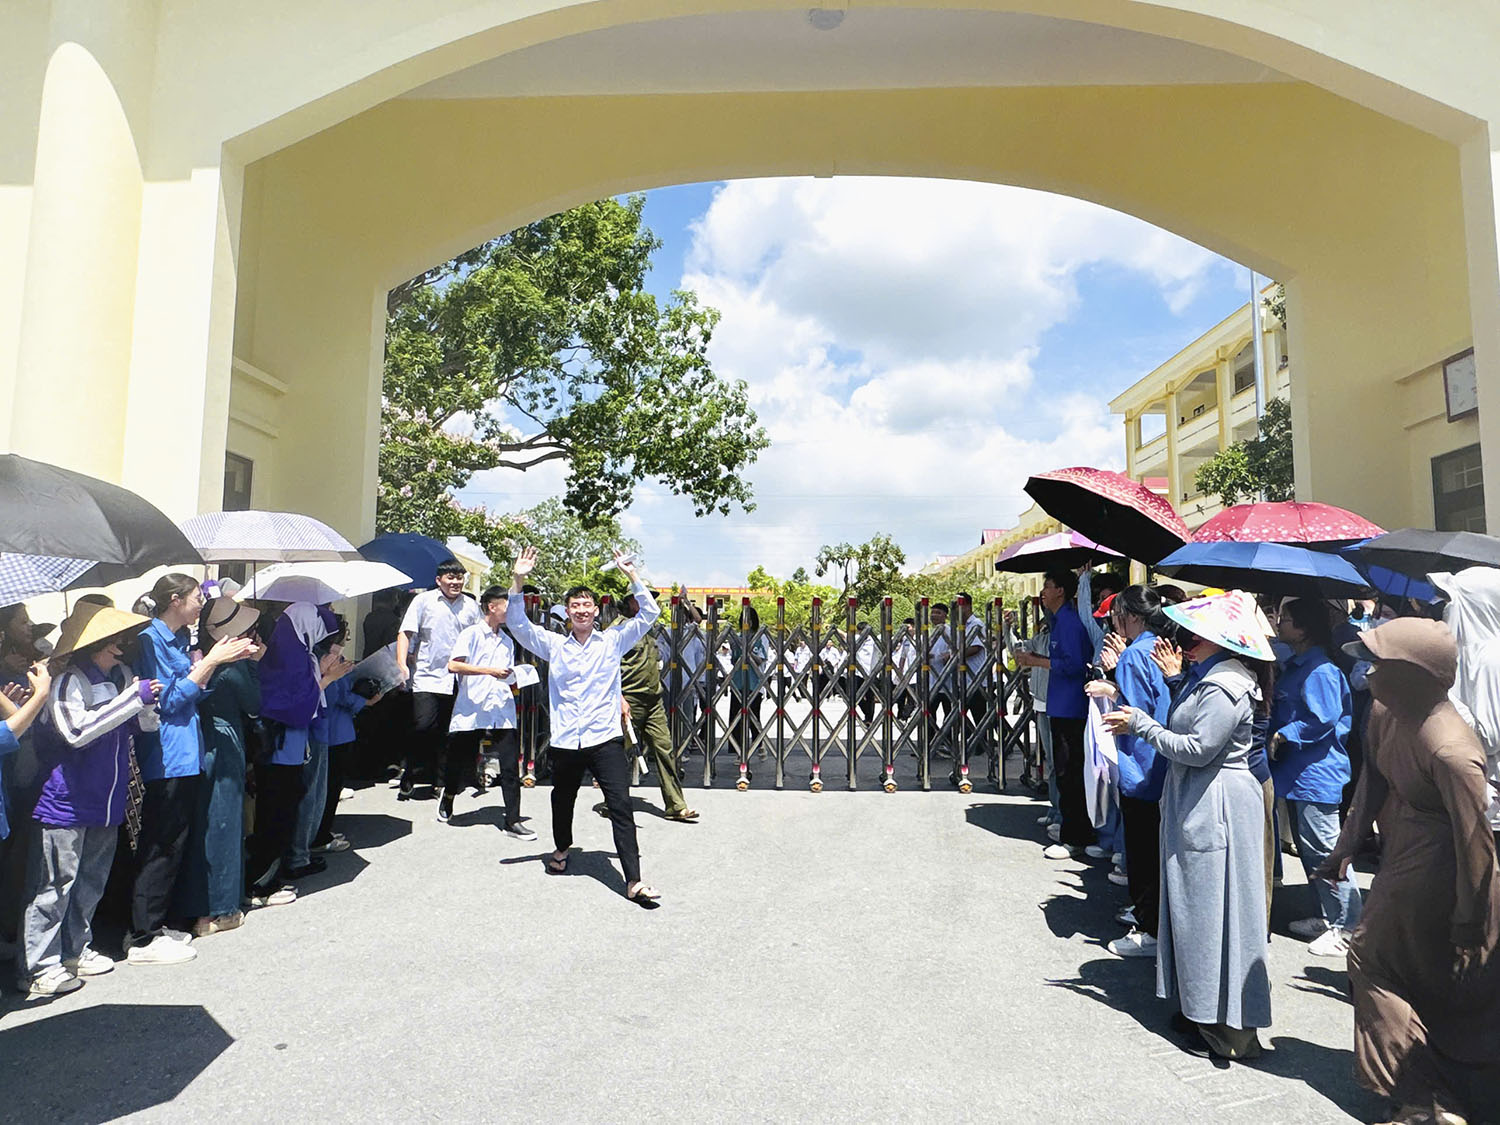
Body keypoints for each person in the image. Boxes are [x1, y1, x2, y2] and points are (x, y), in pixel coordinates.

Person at [1320, 618, 1499, 1125]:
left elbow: (1475, 842)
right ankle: (1431, 1093)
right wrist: (1345, 846)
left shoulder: (1451, 749)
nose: (1368, 672)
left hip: (1439, 867)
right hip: (1401, 851)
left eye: (1380, 663)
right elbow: (1372, 782)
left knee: (1370, 959)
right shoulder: (1385, 712)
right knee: (1414, 974)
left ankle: (1422, 1099)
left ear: (1414, 674)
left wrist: (1472, 917)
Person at [1103, 591, 1274, 1061]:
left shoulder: (1224, 684)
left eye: (1194, 634)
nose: (1183, 640)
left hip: (1213, 801)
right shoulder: (1213, 677)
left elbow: (1198, 748)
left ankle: (1222, 1024)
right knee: (1201, 909)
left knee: (1213, 910)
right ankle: (1204, 1011)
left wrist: (1141, 724)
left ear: (1219, 639)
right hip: (1203, 798)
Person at [506, 546, 661, 907]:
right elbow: (518, 624)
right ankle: (561, 848)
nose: (581, 610)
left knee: (621, 805)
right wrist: (518, 579)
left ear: (595, 611)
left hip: (604, 738)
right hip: (565, 740)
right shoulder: (554, 645)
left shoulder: (613, 641)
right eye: (574, 605)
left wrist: (631, 574)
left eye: (586, 605)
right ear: (567, 612)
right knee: (563, 799)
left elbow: (650, 614)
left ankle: (634, 880)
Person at [16, 604, 157, 997]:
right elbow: (76, 732)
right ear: (95, 644)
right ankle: (38, 967)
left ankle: (75, 950)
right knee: (54, 887)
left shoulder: (120, 677)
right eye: (115, 640)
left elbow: (143, 725)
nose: (122, 647)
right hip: (66, 802)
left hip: (106, 801)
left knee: (91, 883)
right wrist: (132, 700)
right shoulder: (67, 682)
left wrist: (145, 703)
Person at [129, 574, 255, 965]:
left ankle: (160, 923)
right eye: (197, 597)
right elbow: (167, 701)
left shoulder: (181, 639)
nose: (202, 604)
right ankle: (143, 936)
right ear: (175, 599)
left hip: (187, 751)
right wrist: (212, 662)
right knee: (160, 844)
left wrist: (217, 664)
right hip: (166, 753)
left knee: (176, 843)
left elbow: (193, 690)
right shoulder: (150, 640)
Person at [1085, 585, 1170, 959]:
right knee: (1155, 847)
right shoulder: (1160, 647)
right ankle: (1153, 918)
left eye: (1117, 615)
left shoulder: (1134, 655)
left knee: (1142, 850)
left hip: (1141, 761)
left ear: (1132, 616)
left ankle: (1148, 927)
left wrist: (1111, 688)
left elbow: (1135, 711)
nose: (1114, 622)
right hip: (1162, 759)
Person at [1273, 597, 1361, 957]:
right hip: (1298, 773)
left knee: (1327, 851)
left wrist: (1285, 734)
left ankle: (1348, 927)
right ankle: (1328, 917)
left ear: (1304, 628)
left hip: (1316, 773)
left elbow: (1322, 719)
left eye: (1286, 618)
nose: (1279, 623)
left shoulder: (1320, 670)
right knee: (1312, 853)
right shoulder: (1298, 665)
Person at [176, 596, 264, 938]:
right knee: (224, 824)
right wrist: (254, 663)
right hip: (225, 742)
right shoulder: (232, 664)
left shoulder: (198, 655)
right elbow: (254, 703)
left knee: (203, 823)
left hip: (199, 741)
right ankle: (221, 909)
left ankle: (199, 906)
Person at [249, 600, 336, 898]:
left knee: (279, 812)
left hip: (288, 747)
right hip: (282, 747)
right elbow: (297, 706)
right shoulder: (292, 655)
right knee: (276, 814)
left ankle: (270, 876)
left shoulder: (296, 650)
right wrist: (327, 679)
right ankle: (263, 882)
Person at [1015, 569, 1095, 859]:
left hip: (1071, 708)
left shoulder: (1070, 624)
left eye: (1047, 586)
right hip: (1060, 705)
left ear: (1061, 591)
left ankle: (1074, 838)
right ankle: (1070, 828)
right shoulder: (1059, 622)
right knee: (1063, 771)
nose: (1043, 592)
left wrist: (1038, 662)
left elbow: (1074, 665)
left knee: (1069, 772)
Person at [439, 585, 531, 836]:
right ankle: (449, 795)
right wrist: (489, 671)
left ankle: (513, 819)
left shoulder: (508, 641)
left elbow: (505, 673)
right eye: (507, 607)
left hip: (501, 707)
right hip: (472, 708)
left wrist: (516, 677)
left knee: (510, 765)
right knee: (459, 759)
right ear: (492, 606)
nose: (510, 612)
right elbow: (453, 665)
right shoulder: (470, 634)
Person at [395, 559, 481, 798]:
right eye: (450, 578)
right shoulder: (423, 601)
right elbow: (405, 633)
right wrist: (401, 663)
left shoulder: (471, 606)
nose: (455, 582)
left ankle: (440, 782)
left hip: (459, 680)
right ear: (439, 580)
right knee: (423, 726)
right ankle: (410, 771)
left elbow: (480, 638)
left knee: (449, 733)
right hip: (427, 676)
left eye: (459, 578)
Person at [612, 590, 697, 822]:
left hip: (653, 700)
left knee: (664, 749)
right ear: (630, 601)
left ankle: (676, 805)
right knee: (617, 754)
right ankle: (613, 802)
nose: (648, 602)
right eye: (642, 598)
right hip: (629, 699)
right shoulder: (618, 629)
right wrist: (618, 697)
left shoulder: (647, 627)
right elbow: (606, 667)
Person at [308, 623, 371, 856]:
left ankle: (320, 832)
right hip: (335, 730)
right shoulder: (327, 659)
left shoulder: (315, 656)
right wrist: (364, 701)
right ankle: (320, 835)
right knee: (329, 787)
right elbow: (335, 694)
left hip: (331, 728)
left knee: (327, 786)